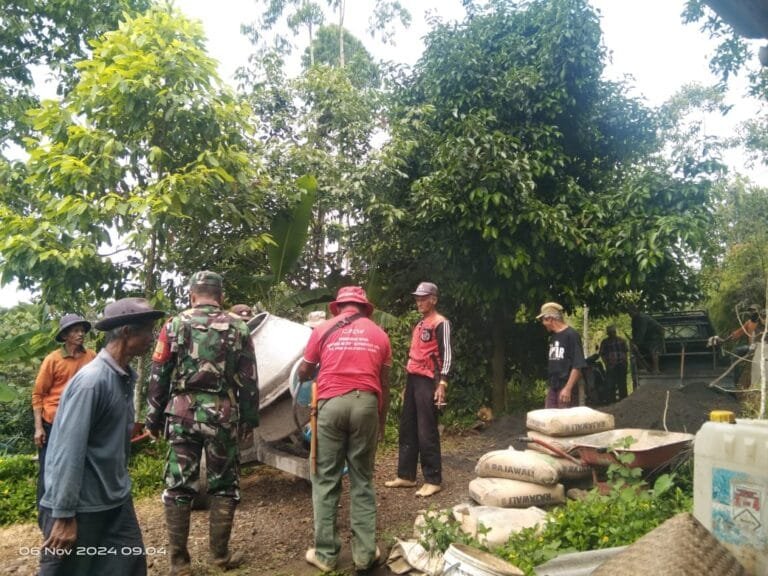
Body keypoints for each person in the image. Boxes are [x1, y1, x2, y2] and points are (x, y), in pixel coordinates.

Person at [38, 297, 164, 576]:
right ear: (128, 332)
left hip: (116, 500)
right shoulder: (92, 382)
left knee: (129, 567)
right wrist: (63, 514)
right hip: (83, 507)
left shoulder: (123, 376)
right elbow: (66, 451)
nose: (152, 339)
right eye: (148, 331)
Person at [145, 271, 259, 576]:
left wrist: (152, 418)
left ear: (192, 295)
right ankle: (219, 558)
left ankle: (179, 563)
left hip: (182, 413)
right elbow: (248, 379)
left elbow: (159, 375)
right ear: (220, 296)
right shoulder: (238, 327)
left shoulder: (174, 325)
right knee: (224, 485)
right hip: (222, 413)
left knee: (179, 486)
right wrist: (249, 418)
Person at [297, 286, 391, 574]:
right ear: (365, 308)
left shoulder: (322, 329)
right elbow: (385, 384)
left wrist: (313, 370)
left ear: (338, 307)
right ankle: (364, 555)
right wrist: (382, 421)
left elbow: (303, 371)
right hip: (366, 405)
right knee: (362, 479)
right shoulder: (379, 334)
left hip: (331, 405)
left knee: (326, 479)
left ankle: (325, 555)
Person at [385, 281, 452, 498]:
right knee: (408, 426)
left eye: (424, 298)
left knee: (426, 429)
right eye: (418, 298)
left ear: (434, 299)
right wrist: (407, 385)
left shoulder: (441, 323)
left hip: (429, 379)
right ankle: (406, 475)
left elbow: (448, 355)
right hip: (413, 378)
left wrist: (442, 383)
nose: (419, 301)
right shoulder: (421, 323)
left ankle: (433, 479)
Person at [31, 313, 96, 519]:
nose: (81, 334)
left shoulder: (92, 357)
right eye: (76, 331)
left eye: (82, 330)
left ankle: (77, 511)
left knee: (81, 466)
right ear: (66, 335)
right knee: (48, 469)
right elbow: (38, 394)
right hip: (53, 422)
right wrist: (39, 427)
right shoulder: (53, 360)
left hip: (82, 421)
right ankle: (46, 515)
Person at [537, 302, 586, 409]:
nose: (543, 323)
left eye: (543, 320)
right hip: (553, 387)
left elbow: (578, 365)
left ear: (550, 319)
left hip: (566, 387)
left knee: (565, 422)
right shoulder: (553, 337)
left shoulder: (572, 335)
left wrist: (568, 388)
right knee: (549, 419)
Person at [628, 306, 665, 375]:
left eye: (631, 313)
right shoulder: (634, 319)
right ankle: (644, 367)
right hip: (647, 337)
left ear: (635, 311)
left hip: (655, 335)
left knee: (653, 350)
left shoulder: (642, 318)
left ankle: (656, 369)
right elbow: (635, 331)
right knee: (634, 348)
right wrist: (634, 341)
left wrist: (637, 343)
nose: (629, 315)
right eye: (629, 313)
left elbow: (642, 331)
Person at [598, 325, 629, 401]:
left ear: (615, 332)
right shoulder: (605, 342)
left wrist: (625, 362)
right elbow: (602, 354)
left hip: (621, 364)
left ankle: (623, 400)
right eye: (610, 332)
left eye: (613, 332)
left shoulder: (622, 340)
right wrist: (606, 363)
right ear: (608, 333)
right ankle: (612, 400)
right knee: (611, 383)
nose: (612, 334)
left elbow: (626, 351)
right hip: (611, 365)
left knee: (622, 383)